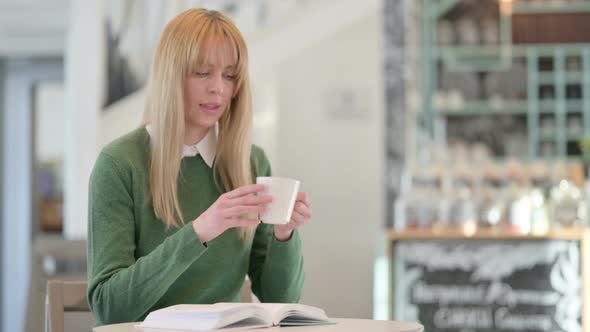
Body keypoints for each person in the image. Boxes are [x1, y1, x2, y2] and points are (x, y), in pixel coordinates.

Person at [87, 8, 311, 326]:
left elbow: (280, 300)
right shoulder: (120, 164)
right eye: (202, 72)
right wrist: (200, 231)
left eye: (230, 75)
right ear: (171, 75)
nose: (218, 88)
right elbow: (108, 308)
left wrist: (284, 234)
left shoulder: (250, 162)